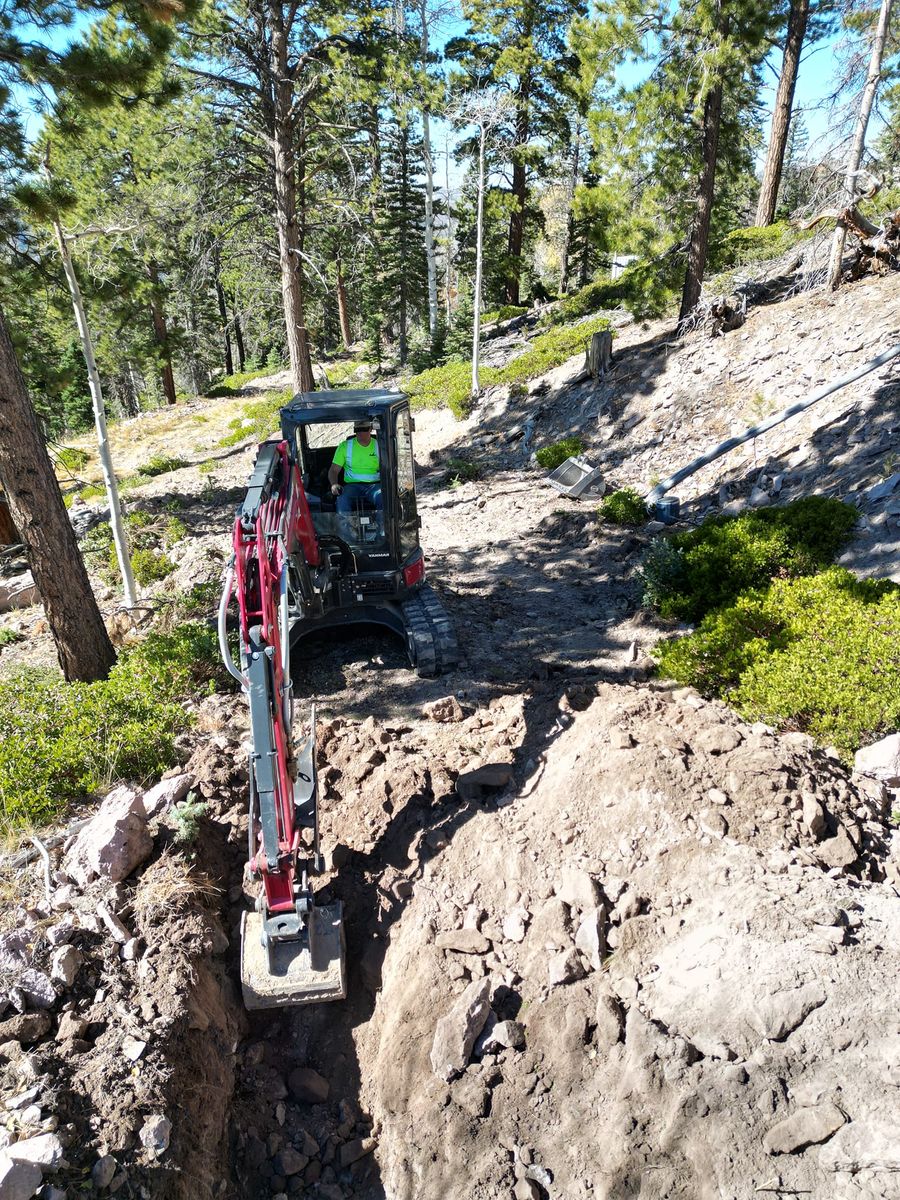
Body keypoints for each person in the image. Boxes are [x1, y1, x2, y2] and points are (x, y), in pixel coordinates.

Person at [328, 420, 383, 517]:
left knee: (383, 498)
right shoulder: (345, 446)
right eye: (357, 430)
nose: (361, 433)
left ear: (370, 429)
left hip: (375, 486)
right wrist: (334, 484)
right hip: (352, 486)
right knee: (342, 499)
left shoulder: (380, 446)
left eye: (364, 429)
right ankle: (347, 530)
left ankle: (383, 530)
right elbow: (333, 470)